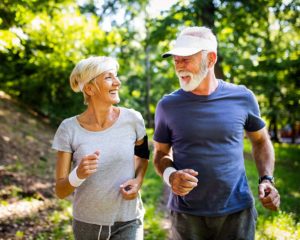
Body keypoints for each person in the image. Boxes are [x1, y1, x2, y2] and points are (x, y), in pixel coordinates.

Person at [153, 26, 280, 240]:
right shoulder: (167, 105)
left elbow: (261, 141)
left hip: (237, 213)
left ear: (210, 59)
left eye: (185, 59)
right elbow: (159, 154)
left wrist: (266, 179)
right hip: (186, 216)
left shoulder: (242, 97)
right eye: (175, 59)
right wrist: (170, 175)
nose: (178, 66)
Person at [52, 56, 149, 240]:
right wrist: (78, 174)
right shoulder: (68, 128)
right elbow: (60, 190)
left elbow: (143, 154)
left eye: (116, 76)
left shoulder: (133, 119)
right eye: (109, 77)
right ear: (89, 88)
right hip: (87, 224)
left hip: (129, 220)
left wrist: (139, 180)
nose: (118, 82)